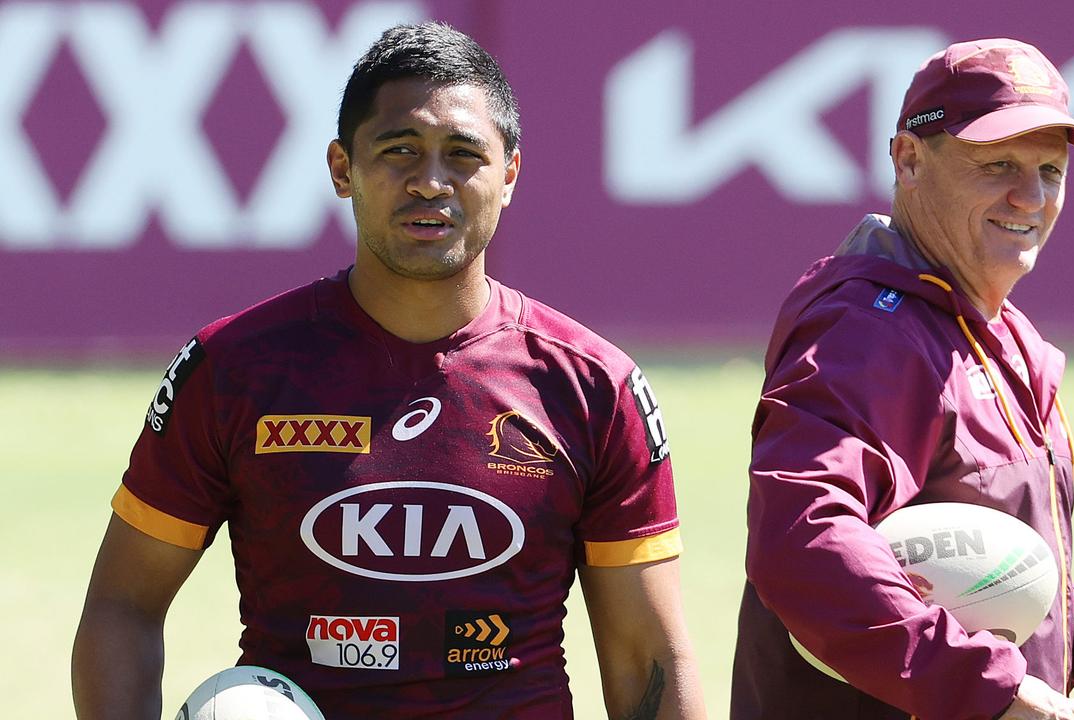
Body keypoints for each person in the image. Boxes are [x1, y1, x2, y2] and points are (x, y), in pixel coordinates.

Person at [71, 22, 705, 720]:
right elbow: (123, 606)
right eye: (399, 149)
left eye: (462, 154)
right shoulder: (234, 368)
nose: (430, 181)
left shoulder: (593, 387)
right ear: (342, 168)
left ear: (510, 175)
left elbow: (649, 653)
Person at [730, 38, 1074, 720]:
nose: (1030, 196)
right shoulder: (868, 330)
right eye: (998, 164)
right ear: (909, 159)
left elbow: (943, 553)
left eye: (1051, 170)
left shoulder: (998, 334)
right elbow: (804, 540)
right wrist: (981, 684)